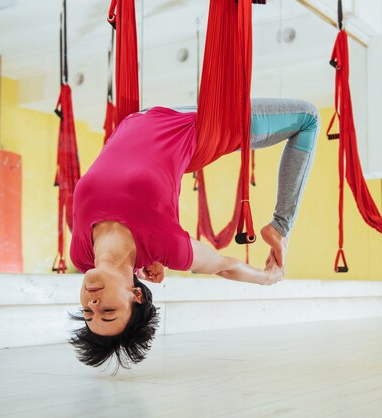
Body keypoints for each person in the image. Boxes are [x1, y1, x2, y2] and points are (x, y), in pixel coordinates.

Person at [69, 98, 320, 368]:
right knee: (308, 119)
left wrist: (140, 264)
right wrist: (267, 278)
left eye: (87, 311)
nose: (93, 302)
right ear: (136, 295)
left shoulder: (81, 254)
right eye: (108, 311)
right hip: (196, 126)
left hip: (139, 118)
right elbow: (223, 266)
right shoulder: (166, 246)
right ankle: (281, 226)